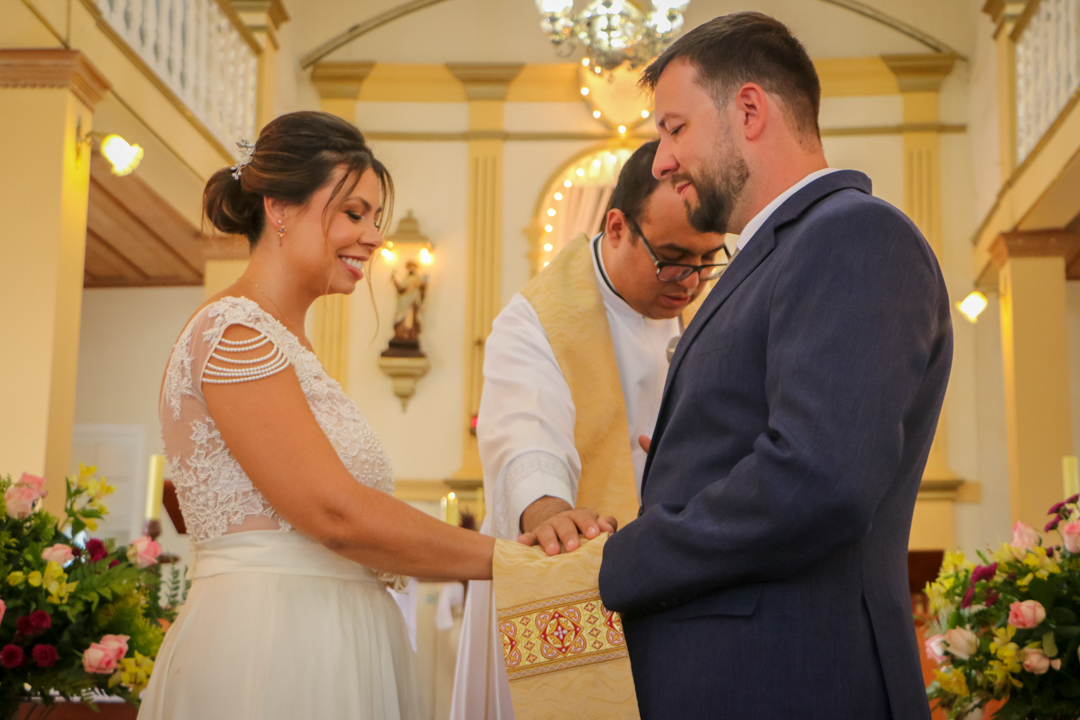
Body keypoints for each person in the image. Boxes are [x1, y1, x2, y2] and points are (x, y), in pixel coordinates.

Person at [599, 13, 952, 720]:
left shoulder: (850, 234)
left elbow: (820, 476)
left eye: (674, 127)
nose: (661, 159)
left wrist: (626, 559)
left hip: (792, 681)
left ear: (750, 110)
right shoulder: (779, 254)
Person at [143, 111, 494, 720]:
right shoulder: (235, 333)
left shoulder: (285, 345)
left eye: (376, 219)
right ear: (280, 208)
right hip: (277, 643)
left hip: (332, 631)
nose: (373, 236)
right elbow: (334, 513)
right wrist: (506, 559)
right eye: (354, 213)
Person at [450, 140, 727, 720]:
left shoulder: (713, 308)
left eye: (708, 259)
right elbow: (524, 432)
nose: (690, 280)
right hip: (573, 578)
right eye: (673, 257)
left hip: (686, 585)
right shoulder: (537, 318)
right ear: (618, 226)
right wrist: (549, 512)